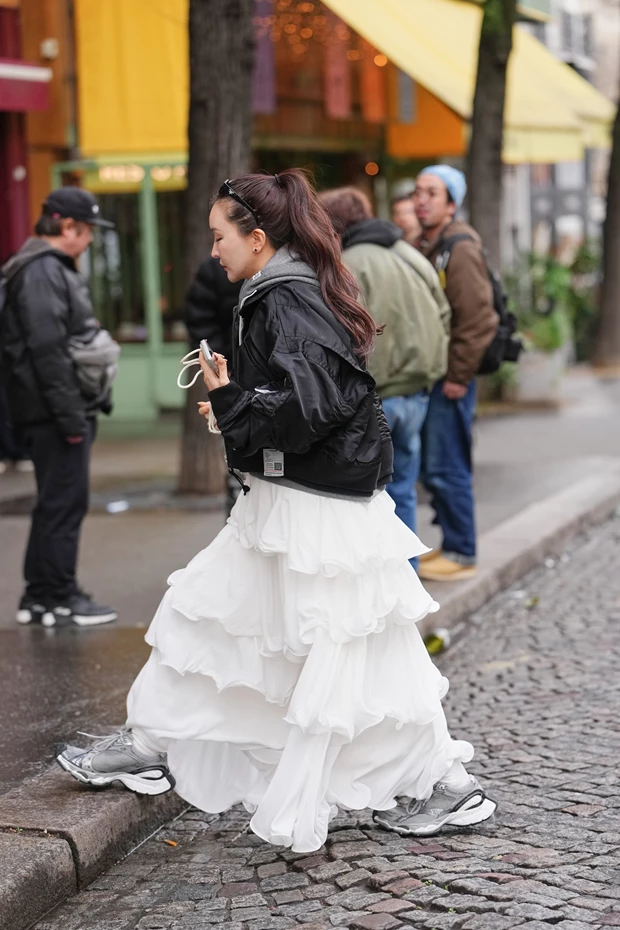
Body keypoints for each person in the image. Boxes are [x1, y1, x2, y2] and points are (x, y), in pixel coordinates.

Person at [56, 170, 496, 852]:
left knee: (309, 644)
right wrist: (234, 403)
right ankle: (150, 744)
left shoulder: (281, 297)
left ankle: (442, 781)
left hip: (313, 509)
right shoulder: (285, 289)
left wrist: (233, 402)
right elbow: (305, 399)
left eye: (219, 237)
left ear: (257, 239)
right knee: (232, 625)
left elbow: (311, 406)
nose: (213, 251)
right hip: (306, 503)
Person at [0, 188, 119, 627]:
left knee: (54, 503)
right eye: (86, 231)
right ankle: (59, 598)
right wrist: (71, 418)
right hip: (54, 413)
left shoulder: (36, 268)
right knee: (64, 504)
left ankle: (40, 597)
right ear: (67, 226)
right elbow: (48, 351)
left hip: (47, 409)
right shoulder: (42, 271)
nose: (88, 241)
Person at [320, 186, 450, 559]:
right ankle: (408, 578)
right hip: (417, 391)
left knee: (368, 500)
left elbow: (340, 336)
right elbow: (444, 314)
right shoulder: (409, 253)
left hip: (377, 396)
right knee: (404, 491)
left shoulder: (347, 264)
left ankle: (384, 590)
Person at [413, 166, 497, 583]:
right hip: (440, 375)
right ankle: (451, 544)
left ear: (451, 202)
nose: (421, 199)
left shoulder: (458, 248)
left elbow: (479, 319)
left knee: (448, 466)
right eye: (418, 191)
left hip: (451, 380)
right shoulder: (434, 244)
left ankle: (463, 552)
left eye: (432, 192)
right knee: (435, 465)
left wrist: (459, 376)